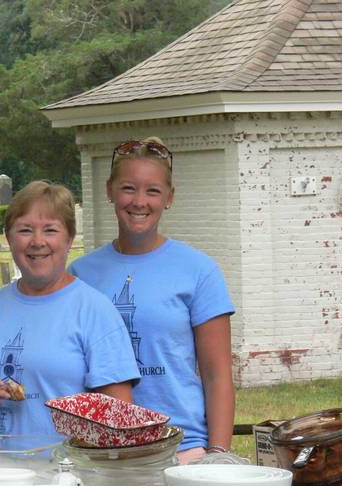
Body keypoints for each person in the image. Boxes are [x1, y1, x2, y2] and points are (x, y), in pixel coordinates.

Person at [70, 138, 235, 463]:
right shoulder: (81, 274)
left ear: (169, 197)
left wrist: (217, 456)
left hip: (182, 446)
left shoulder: (199, 271)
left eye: (153, 191)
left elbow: (217, 376)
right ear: (110, 191)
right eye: (129, 188)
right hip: (103, 450)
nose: (139, 201)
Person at [0, 180, 140, 437]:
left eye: (50, 230)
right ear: (9, 238)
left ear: (69, 239)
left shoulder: (95, 311)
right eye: (25, 230)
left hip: (66, 473)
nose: (37, 242)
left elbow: (120, 417)